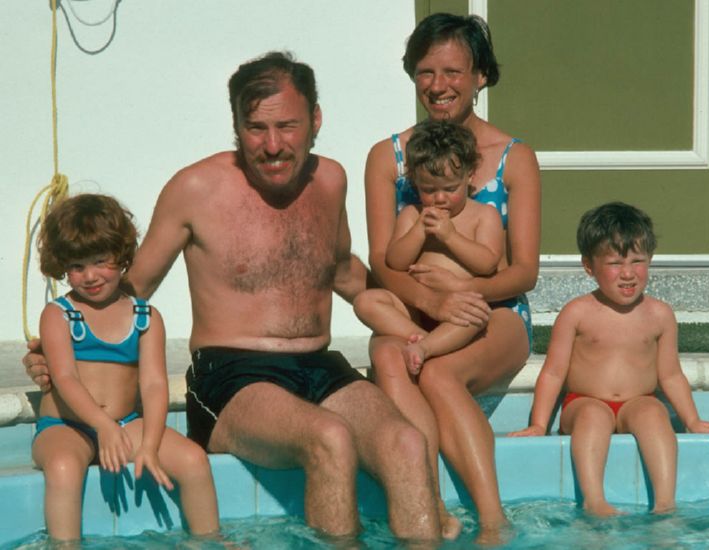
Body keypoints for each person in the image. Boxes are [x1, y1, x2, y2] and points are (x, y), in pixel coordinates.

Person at [26, 52, 441, 542]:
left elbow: (344, 272)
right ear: (236, 125)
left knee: (408, 443)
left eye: (287, 126)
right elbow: (126, 287)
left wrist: (428, 313)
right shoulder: (196, 188)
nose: (272, 145)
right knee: (329, 439)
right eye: (255, 128)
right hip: (230, 375)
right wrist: (59, 349)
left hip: (319, 366)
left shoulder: (330, 179)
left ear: (316, 120)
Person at [364, 12, 540, 542]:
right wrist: (430, 302)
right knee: (383, 354)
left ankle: (492, 521)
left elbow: (522, 272)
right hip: (415, 311)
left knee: (438, 375)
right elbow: (380, 262)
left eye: (453, 72)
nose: (437, 86)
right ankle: (431, 508)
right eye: (424, 72)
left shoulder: (513, 158)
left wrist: (459, 297)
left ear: (481, 76)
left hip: (495, 313)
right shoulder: (389, 158)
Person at [509, 202, 709, 516]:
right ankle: (594, 500)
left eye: (638, 261)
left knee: (655, 412)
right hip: (583, 401)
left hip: (637, 401)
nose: (628, 273)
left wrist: (693, 421)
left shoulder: (659, 315)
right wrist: (538, 424)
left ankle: (665, 504)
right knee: (593, 416)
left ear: (650, 259)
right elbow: (554, 373)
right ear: (589, 266)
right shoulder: (577, 312)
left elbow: (670, 376)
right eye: (615, 263)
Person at [31, 194, 220, 542]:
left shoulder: (144, 317)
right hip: (65, 424)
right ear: (62, 266)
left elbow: (153, 385)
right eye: (77, 266)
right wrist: (102, 425)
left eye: (100, 260)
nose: (89, 276)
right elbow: (65, 378)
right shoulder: (58, 315)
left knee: (194, 461)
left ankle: (210, 541)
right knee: (63, 469)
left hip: (126, 424)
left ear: (121, 255)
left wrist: (148, 444)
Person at [355, 119, 503, 375]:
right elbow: (395, 262)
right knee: (365, 301)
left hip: (459, 306)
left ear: (469, 174)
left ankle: (425, 349)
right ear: (414, 182)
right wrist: (418, 232)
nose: (440, 197)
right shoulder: (413, 215)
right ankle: (423, 339)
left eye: (450, 188)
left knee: (477, 316)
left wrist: (450, 237)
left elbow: (488, 263)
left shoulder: (483, 215)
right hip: (414, 308)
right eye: (429, 190)